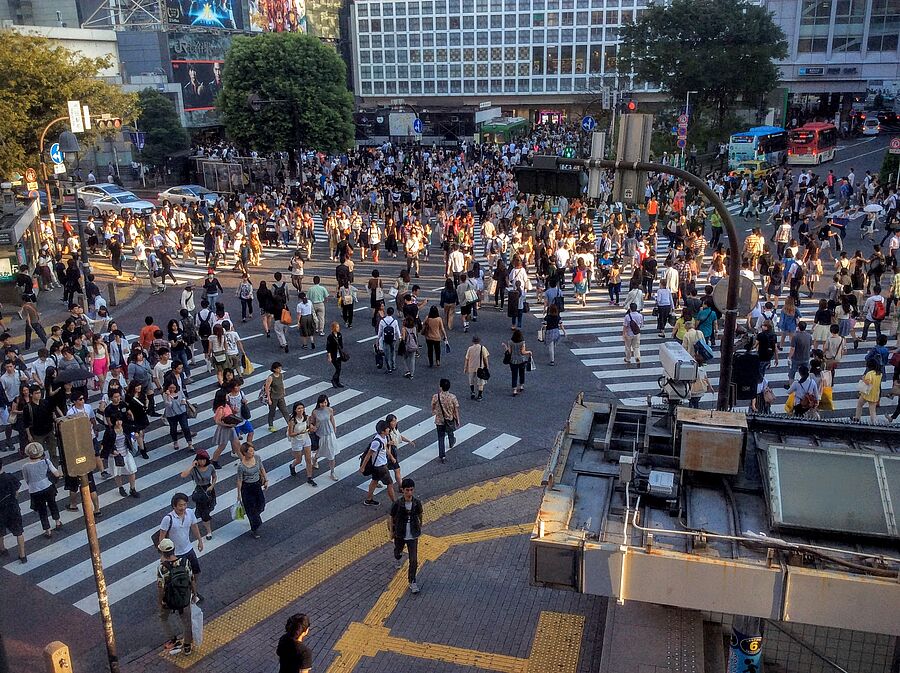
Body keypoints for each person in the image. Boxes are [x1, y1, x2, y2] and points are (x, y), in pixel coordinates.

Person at [157, 492, 205, 602]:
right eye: (180, 505)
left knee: (196, 572)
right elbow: (161, 538)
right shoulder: (168, 519)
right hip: (175, 554)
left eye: (184, 504)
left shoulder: (190, 513)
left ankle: (193, 591)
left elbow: (194, 526)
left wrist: (200, 541)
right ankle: (181, 594)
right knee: (178, 577)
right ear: (174, 506)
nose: (183, 507)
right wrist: (164, 555)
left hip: (188, 549)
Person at [156, 538, 194, 656]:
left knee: (163, 618)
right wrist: (194, 594)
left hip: (169, 599)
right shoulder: (184, 562)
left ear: (162, 552)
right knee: (186, 621)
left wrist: (160, 602)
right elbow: (191, 579)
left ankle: (173, 639)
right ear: (174, 549)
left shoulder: (162, 568)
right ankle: (187, 646)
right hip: (184, 597)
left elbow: (161, 587)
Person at [389, 477, 423, 595]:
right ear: (402, 490)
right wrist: (391, 531)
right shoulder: (398, 503)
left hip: (413, 534)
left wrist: (420, 525)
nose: (409, 493)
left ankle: (412, 581)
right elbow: (391, 516)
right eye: (407, 490)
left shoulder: (416, 502)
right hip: (400, 533)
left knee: (413, 560)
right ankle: (397, 557)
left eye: (411, 490)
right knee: (398, 551)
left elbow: (420, 514)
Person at [22, 442, 62, 538]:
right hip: (48, 486)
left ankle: (47, 530)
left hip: (35, 490)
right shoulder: (46, 461)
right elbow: (56, 474)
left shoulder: (25, 466)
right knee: (52, 504)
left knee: (42, 510)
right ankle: (57, 521)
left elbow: (26, 479)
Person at [179, 450, 216, 540]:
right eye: (200, 460)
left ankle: (196, 518)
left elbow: (214, 476)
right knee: (205, 512)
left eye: (204, 460)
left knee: (209, 507)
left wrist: (212, 485)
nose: (202, 462)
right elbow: (183, 475)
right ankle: (208, 531)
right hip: (199, 490)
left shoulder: (210, 467)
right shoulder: (194, 469)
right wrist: (192, 466)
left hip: (209, 490)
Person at [236, 442, 268, 539]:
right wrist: (239, 494)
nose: (252, 453)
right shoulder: (241, 466)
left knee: (261, 505)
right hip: (247, 488)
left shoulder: (257, 458)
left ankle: (254, 518)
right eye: (250, 451)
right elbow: (239, 480)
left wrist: (266, 480)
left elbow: (262, 469)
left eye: (253, 450)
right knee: (251, 509)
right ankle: (255, 528)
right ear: (244, 453)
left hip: (257, 485)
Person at [361, 419, 396, 506]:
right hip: (380, 467)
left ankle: (369, 499)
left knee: (374, 481)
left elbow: (385, 448)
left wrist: (391, 456)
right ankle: (395, 503)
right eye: (387, 429)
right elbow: (369, 455)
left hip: (379, 465)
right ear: (382, 431)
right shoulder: (376, 442)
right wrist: (363, 467)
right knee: (390, 483)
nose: (389, 429)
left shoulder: (383, 438)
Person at [0, 457, 26, 563]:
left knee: (0, 531)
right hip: (12, 508)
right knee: (19, 531)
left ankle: (2, 549)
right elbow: (16, 491)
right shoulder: (10, 477)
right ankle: (22, 555)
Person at [308, 394, 338, 481]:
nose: (323, 404)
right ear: (319, 403)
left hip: (330, 434)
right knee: (320, 451)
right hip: (320, 435)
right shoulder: (315, 412)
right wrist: (312, 426)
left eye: (325, 402)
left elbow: (332, 419)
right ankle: (315, 459)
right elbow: (312, 422)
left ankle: (332, 472)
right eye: (322, 403)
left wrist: (334, 428)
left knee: (331, 454)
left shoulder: (330, 410)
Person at [431, 379, 460, 464]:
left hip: (439, 420)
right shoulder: (452, 397)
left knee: (440, 438)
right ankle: (451, 442)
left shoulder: (436, 397)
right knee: (450, 432)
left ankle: (442, 455)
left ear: (440, 387)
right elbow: (456, 409)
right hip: (449, 419)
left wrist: (435, 411)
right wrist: (458, 419)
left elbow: (432, 406)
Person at [287, 402, 316, 486]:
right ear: (295, 410)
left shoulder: (306, 417)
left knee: (308, 459)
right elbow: (290, 434)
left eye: (302, 408)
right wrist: (299, 433)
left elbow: (309, 426)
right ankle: (292, 466)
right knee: (299, 460)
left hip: (306, 439)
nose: (301, 410)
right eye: (299, 408)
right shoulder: (292, 421)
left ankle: (309, 478)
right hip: (296, 441)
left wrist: (311, 428)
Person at [264, 362, 290, 432]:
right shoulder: (271, 377)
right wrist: (269, 399)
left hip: (280, 397)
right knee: (272, 412)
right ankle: (271, 425)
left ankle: (290, 425)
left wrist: (283, 390)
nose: (280, 369)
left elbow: (282, 383)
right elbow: (267, 388)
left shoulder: (281, 375)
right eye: (278, 368)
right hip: (273, 398)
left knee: (285, 411)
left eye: (280, 368)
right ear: (274, 369)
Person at [504, 328, 531, 396]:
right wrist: (529, 352)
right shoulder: (522, 342)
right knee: (522, 373)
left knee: (514, 375)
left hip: (513, 360)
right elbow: (523, 352)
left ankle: (514, 389)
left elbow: (509, 352)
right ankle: (521, 385)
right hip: (521, 360)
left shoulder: (510, 342)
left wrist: (505, 347)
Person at [854, 358, 882, 424]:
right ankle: (875, 423)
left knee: (859, 404)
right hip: (875, 393)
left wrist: (863, 378)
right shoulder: (879, 373)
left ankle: (857, 418)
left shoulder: (869, 373)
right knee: (872, 410)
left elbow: (868, 382)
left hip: (867, 393)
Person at [463, 335, 489, 400]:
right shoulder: (482, 348)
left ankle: (472, 392)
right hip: (480, 368)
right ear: (479, 341)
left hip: (471, 367)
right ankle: (479, 395)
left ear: (473, 341)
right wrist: (487, 366)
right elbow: (485, 358)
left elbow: (467, 359)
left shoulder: (470, 348)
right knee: (480, 382)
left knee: (471, 380)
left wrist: (465, 367)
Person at [377, 306, 401, 374]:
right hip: (393, 339)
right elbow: (397, 330)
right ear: (392, 313)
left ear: (387, 312)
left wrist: (378, 339)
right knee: (393, 352)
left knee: (387, 354)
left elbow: (380, 332)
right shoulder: (395, 321)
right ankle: (393, 365)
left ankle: (389, 368)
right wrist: (399, 337)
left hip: (385, 339)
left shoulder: (382, 321)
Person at [325, 322, 345, 388]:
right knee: (338, 368)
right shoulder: (330, 337)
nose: (338, 328)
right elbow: (328, 347)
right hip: (333, 355)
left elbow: (341, 344)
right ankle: (334, 380)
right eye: (337, 327)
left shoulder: (339, 335)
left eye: (338, 327)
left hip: (339, 354)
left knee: (339, 368)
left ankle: (337, 382)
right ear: (333, 328)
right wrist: (329, 356)